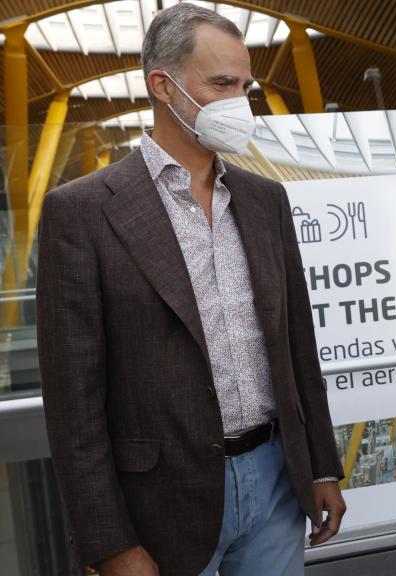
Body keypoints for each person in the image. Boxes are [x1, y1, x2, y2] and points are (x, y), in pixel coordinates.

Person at [37, 5, 344, 576]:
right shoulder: (81, 211)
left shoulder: (263, 199)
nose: (238, 102)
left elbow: (298, 347)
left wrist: (321, 469)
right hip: (161, 507)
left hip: (277, 482)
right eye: (222, 83)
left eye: (244, 86)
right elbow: (73, 404)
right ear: (163, 86)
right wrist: (109, 544)